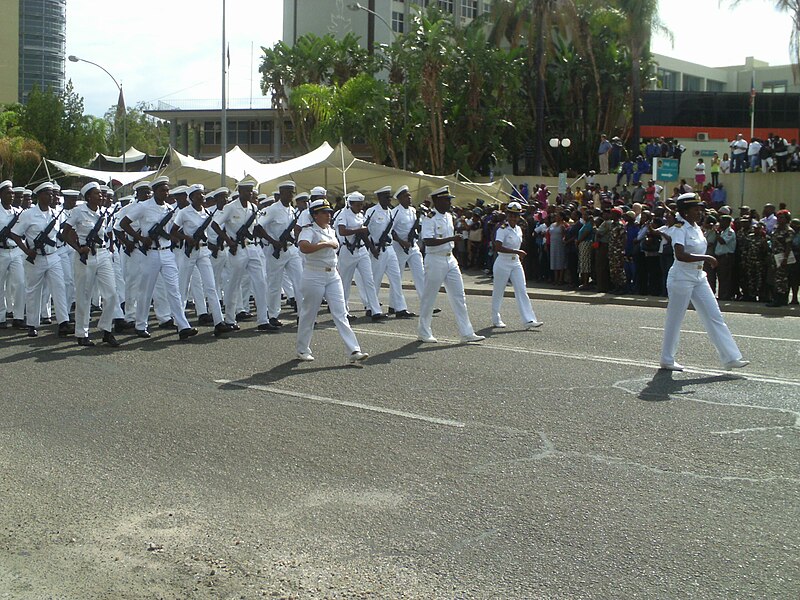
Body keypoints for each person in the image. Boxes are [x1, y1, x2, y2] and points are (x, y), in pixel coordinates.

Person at [659, 193, 748, 371]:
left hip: (699, 277)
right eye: (695, 209)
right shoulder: (680, 228)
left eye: (700, 208)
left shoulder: (696, 227)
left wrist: (704, 261)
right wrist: (706, 257)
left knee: (714, 315)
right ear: (685, 212)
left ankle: (730, 357)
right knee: (675, 319)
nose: (699, 212)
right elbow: (680, 254)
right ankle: (667, 359)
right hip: (681, 277)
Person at [119, 176, 198, 340]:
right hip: (151, 253)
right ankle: (141, 325)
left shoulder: (170, 209)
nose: (166, 193)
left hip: (167, 252)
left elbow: (172, 231)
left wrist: (175, 237)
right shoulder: (143, 207)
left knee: (174, 290)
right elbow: (124, 224)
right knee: (145, 292)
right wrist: (140, 239)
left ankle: (183, 326)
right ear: (155, 191)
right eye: (163, 190)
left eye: (167, 190)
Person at [295, 198, 368, 363]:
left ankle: (354, 350)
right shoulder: (309, 231)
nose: (328, 215)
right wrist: (324, 244)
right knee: (309, 314)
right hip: (314, 274)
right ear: (315, 215)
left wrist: (327, 242)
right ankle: (302, 349)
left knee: (341, 312)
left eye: (329, 212)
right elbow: (304, 247)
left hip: (332, 275)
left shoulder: (331, 230)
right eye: (323, 213)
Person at [417, 186, 484, 344]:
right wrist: (451, 239)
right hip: (435, 259)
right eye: (446, 199)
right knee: (429, 297)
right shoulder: (429, 218)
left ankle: (466, 332)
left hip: (450, 259)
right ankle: (423, 332)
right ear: (437, 200)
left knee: (459, 296)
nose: (449, 202)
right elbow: (428, 241)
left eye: (449, 199)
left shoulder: (448, 216)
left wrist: (454, 237)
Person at [9, 182, 74, 338]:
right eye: (47, 193)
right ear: (39, 196)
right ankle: (32, 324)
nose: (51, 196)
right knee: (33, 291)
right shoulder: (28, 214)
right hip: (36, 258)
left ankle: (63, 322)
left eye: (52, 194)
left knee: (59, 288)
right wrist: (27, 250)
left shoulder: (55, 214)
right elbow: (15, 234)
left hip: (54, 256)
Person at [60, 182, 121, 347]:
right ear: (88, 196)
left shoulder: (103, 212)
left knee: (112, 294)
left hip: (102, 254)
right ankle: (82, 333)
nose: (100, 196)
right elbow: (65, 233)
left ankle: (107, 329)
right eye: (96, 194)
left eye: (101, 193)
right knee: (84, 296)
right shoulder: (78, 212)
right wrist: (79, 248)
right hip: (85, 256)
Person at [211, 179, 276, 332]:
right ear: (240, 191)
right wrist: (228, 241)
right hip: (237, 249)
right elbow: (215, 224)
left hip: (252, 248)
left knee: (261, 282)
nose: (250, 193)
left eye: (251, 190)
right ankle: (229, 319)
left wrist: (272, 241)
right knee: (234, 284)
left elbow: (258, 228)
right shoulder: (230, 208)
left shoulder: (253, 207)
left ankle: (263, 320)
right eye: (247, 190)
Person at [172, 184, 231, 336]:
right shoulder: (184, 212)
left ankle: (219, 322)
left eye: (203, 194)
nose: (202, 197)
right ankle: (180, 324)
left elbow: (215, 228)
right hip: (190, 252)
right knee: (183, 287)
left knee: (210, 286)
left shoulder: (206, 213)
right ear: (191, 197)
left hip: (204, 251)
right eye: (199, 194)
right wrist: (187, 238)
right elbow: (174, 231)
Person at [258, 180, 304, 327]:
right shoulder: (272, 209)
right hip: (276, 251)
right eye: (289, 193)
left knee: (300, 281)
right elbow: (258, 227)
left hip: (291, 249)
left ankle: (303, 314)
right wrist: (273, 242)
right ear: (282, 193)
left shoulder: (292, 210)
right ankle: (272, 315)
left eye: (292, 193)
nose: (291, 196)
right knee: (274, 284)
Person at [491, 201, 543, 329]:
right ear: (507, 215)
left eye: (516, 215)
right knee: (499, 290)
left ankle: (529, 320)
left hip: (515, 262)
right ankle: (496, 318)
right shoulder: (502, 228)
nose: (513, 217)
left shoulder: (519, 229)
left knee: (521, 289)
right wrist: (516, 251)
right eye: (511, 215)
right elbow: (498, 247)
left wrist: (517, 254)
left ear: (519, 216)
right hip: (503, 261)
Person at [335, 192, 387, 321]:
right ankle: (343, 311)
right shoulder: (343, 215)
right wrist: (359, 230)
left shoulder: (360, 215)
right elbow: (342, 231)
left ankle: (375, 310)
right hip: (348, 251)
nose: (360, 207)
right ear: (351, 204)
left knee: (369, 280)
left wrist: (372, 248)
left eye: (361, 204)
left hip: (362, 250)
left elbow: (364, 234)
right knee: (345, 282)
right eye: (358, 205)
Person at [365, 186, 414, 318]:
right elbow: (364, 231)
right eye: (386, 197)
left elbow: (391, 230)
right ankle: (371, 308)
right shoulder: (372, 211)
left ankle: (400, 308)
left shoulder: (391, 212)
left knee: (396, 278)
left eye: (389, 197)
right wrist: (372, 248)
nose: (389, 200)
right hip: (377, 249)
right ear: (379, 198)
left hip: (390, 248)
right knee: (376, 279)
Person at [0, 180, 25, 329]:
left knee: (20, 283)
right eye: (7, 193)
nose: (11, 195)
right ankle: (1, 317)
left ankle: (18, 317)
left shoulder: (17, 212)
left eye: (12, 193)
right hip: (1, 251)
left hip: (15, 251)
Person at [766, 210, 794, 307]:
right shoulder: (776, 229)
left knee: (781, 279)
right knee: (775, 278)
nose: (779, 219)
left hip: (783, 257)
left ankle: (780, 300)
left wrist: (785, 259)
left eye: (782, 217)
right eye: (778, 217)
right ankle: (777, 299)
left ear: (787, 219)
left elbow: (788, 246)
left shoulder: (788, 231)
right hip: (775, 256)